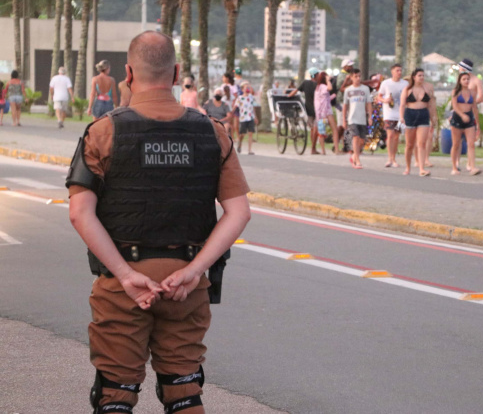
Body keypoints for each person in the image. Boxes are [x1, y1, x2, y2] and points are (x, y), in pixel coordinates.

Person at [66, 31, 251, 414]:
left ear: (128, 73)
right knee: (184, 392)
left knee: (114, 394)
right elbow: (238, 212)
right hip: (187, 283)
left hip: (124, 281)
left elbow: (79, 212)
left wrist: (125, 275)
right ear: (176, 72)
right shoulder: (212, 132)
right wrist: (195, 270)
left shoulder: (103, 131)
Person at [400, 68, 435, 177]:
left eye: (423, 75)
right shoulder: (407, 89)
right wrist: (401, 117)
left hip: (423, 115)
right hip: (410, 114)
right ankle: (408, 167)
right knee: (410, 144)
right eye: (419, 75)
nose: (421, 77)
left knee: (421, 143)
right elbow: (402, 104)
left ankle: (421, 168)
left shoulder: (427, 89)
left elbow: (431, 105)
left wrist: (433, 118)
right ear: (414, 77)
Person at [450, 72, 480, 176]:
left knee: (471, 144)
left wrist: (478, 123)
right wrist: (462, 115)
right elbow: (454, 106)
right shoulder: (456, 92)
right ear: (460, 81)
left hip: (469, 118)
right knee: (456, 144)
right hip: (458, 118)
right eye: (464, 79)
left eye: (468, 79)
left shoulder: (472, 93)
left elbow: (475, 108)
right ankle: (454, 167)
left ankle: (472, 167)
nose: (466, 81)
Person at [378, 64, 408, 168]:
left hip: (400, 113)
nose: (399, 72)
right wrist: (385, 100)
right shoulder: (386, 83)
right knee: (390, 135)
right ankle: (389, 158)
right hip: (389, 113)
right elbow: (379, 96)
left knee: (396, 137)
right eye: (397, 70)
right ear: (392, 72)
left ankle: (394, 158)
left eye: (400, 70)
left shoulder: (405, 84)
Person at [343, 69, 372, 169]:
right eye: (356, 76)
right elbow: (345, 106)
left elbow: (368, 103)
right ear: (351, 77)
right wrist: (344, 119)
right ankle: (357, 161)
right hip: (352, 118)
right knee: (355, 137)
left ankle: (354, 156)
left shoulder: (365, 89)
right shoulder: (348, 90)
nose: (358, 78)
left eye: (359, 76)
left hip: (362, 118)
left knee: (362, 140)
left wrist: (370, 117)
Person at [288, 68, 320, 154]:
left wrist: (288, 96)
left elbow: (296, 91)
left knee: (312, 129)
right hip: (317, 109)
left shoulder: (305, 83)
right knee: (315, 129)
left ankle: (313, 148)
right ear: (316, 75)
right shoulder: (318, 85)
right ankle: (313, 148)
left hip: (308, 109)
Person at [314, 71, 338, 155]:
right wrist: (328, 80)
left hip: (320, 112)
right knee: (334, 129)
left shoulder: (318, 87)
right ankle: (336, 149)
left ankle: (323, 150)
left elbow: (325, 98)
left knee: (321, 131)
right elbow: (330, 88)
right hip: (326, 111)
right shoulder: (323, 86)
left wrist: (333, 96)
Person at [234, 83, 258, 155]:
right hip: (243, 118)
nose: (247, 89)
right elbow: (235, 107)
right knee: (243, 134)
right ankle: (240, 143)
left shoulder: (251, 97)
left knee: (250, 133)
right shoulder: (240, 98)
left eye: (248, 88)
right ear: (242, 89)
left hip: (250, 117)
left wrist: (255, 117)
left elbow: (253, 107)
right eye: (245, 88)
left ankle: (249, 150)